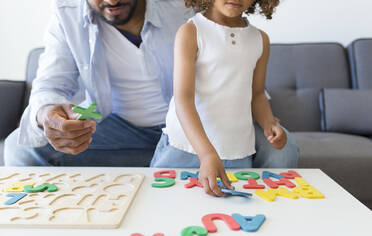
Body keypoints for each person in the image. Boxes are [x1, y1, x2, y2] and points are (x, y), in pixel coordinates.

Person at [4, 0, 298, 168]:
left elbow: (236, 69)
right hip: (108, 122)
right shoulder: (67, 14)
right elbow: (49, 86)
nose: (111, 0)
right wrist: (48, 117)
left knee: (282, 148)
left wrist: (264, 118)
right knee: (21, 149)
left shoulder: (184, 7)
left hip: (200, 123)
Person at [150, 0, 298, 196]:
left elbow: (257, 94)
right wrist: (207, 154)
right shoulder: (190, 32)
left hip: (236, 150)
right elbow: (183, 99)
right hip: (184, 148)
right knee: (163, 206)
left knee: (229, 217)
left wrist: (269, 125)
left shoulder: (260, 39)